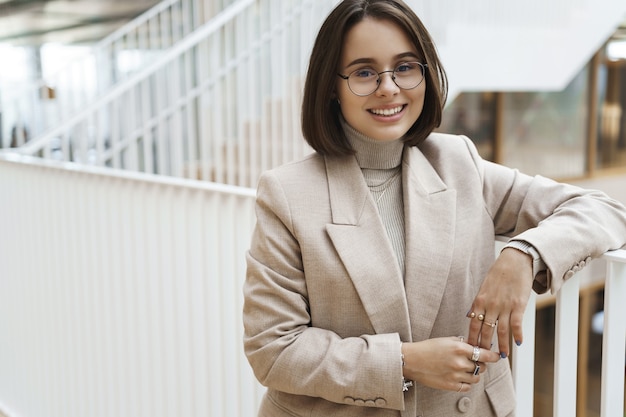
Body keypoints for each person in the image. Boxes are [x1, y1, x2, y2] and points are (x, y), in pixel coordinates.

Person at [242, 1, 626, 416]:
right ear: (332, 87)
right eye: (364, 72)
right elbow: (273, 349)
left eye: (405, 67)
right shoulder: (286, 193)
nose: (389, 87)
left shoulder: (458, 161)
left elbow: (602, 209)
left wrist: (523, 254)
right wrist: (405, 361)